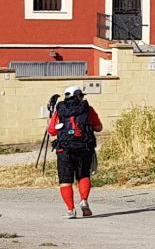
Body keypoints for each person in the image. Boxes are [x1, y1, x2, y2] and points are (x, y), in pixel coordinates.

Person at [46, 86, 103, 219]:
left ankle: (70, 210)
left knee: (65, 180)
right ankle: (83, 200)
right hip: (84, 146)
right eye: (81, 96)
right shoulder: (87, 109)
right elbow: (99, 127)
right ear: (78, 96)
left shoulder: (59, 110)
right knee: (83, 175)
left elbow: (52, 131)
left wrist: (51, 122)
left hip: (64, 148)